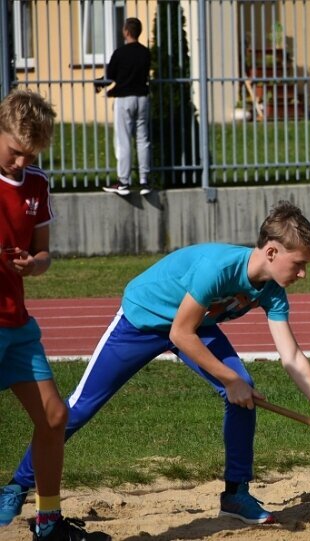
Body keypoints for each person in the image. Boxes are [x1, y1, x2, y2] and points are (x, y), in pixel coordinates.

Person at [0, 200, 310, 526]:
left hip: (194, 326)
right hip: (143, 320)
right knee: (77, 410)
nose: (303, 274)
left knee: (243, 391)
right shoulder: (217, 269)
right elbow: (179, 334)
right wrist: (230, 379)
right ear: (271, 251)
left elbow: (292, 356)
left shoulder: (272, 291)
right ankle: (17, 486)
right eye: (298, 264)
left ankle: (236, 494)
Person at [0, 89, 110, 540]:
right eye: (14, 152)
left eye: (31, 155)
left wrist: (33, 263)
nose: (21, 163)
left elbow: (44, 254)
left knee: (53, 417)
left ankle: (47, 523)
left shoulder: (37, 184)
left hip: (17, 323)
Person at [96, 17, 152, 196]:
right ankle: (144, 180)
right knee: (143, 140)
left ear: (126, 31)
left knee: (124, 140)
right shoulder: (145, 53)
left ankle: (123, 182)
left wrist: (99, 84)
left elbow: (110, 76)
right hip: (142, 98)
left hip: (124, 100)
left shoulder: (120, 53)